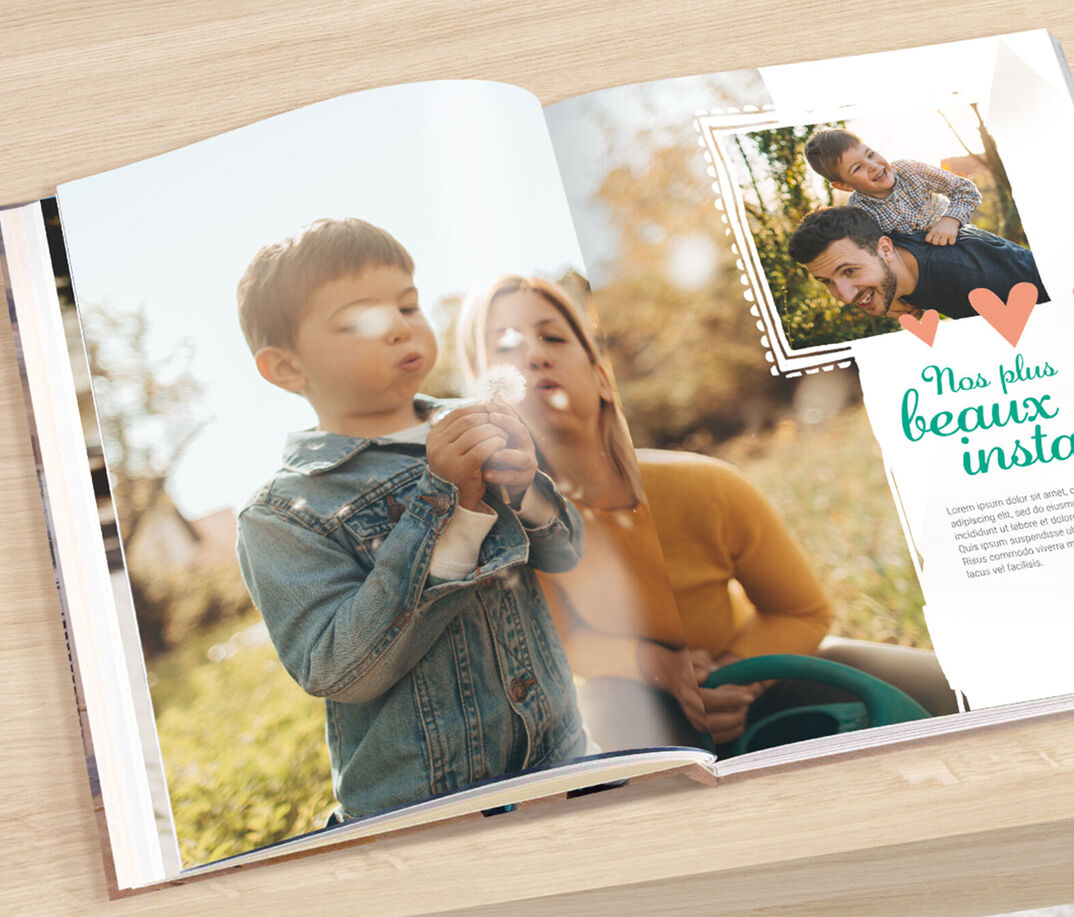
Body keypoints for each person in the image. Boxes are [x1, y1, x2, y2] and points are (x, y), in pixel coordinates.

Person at [458, 276, 955, 751]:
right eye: (505, 346)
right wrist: (657, 665)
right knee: (606, 717)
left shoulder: (706, 486)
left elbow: (803, 612)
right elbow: (568, 639)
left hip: (764, 671)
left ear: (602, 379)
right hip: (635, 694)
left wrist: (734, 678)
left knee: (949, 684)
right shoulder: (512, 531)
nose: (535, 355)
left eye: (553, 337)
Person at [233, 219, 588, 820]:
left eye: (407, 305)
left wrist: (526, 489)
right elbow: (337, 669)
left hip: (562, 761)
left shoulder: (481, 422)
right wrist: (445, 507)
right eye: (360, 319)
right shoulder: (282, 512)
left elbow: (567, 551)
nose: (400, 327)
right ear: (287, 368)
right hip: (425, 809)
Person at [787, 206, 1047, 321]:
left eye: (850, 271)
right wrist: (887, 299)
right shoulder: (894, 257)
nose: (844, 296)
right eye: (826, 281)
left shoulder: (967, 278)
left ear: (885, 249)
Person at [803, 128, 982, 246]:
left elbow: (965, 190)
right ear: (844, 185)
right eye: (857, 168)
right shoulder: (859, 212)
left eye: (870, 154)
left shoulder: (910, 170)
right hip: (922, 262)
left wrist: (950, 220)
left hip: (961, 235)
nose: (873, 165)